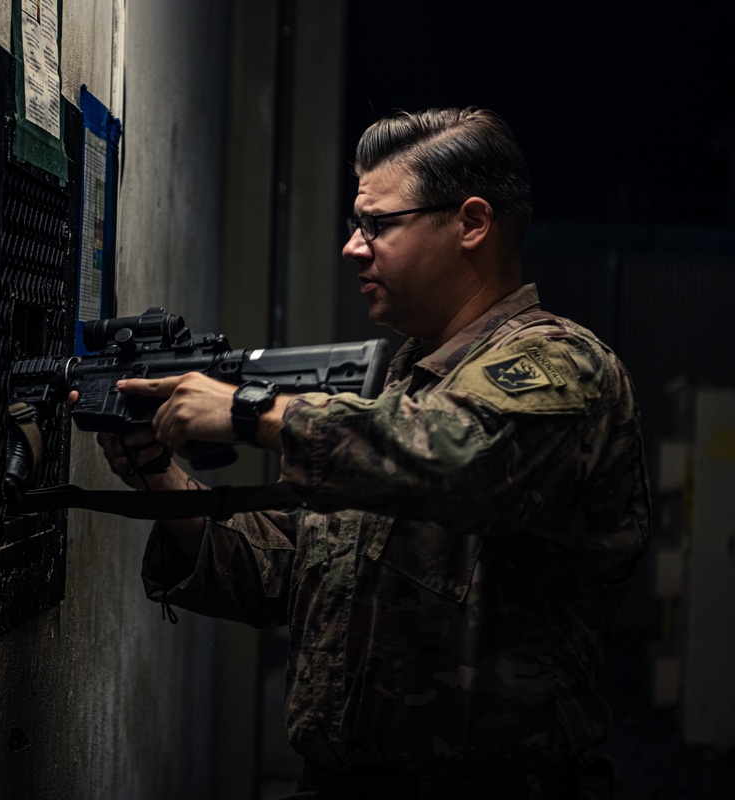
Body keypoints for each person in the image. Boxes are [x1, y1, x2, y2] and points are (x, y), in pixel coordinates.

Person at [90, 107, 649, 799]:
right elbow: (299, 581)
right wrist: (159, 477)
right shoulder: (407, 384)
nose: (354, 247)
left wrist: (247, 410)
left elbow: (461, 459)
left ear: (472, 223)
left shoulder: (562, 364)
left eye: (378, 225)